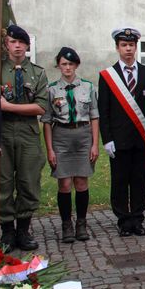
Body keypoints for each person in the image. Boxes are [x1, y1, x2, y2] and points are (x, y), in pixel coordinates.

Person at [98, 27, 145, 237]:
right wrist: (107, 139)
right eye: (124, 45)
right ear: (117, 47)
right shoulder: (107, 76)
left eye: (131, 45)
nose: (128, 49)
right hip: (119, 139)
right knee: (120, 181)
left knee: (140, 180)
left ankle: (137, 219)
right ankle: (123, 220)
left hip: (142, 138)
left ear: (136, 47)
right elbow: (103, 110)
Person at [41, 47, 99, 243]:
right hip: (61, 136)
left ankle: (81, 224)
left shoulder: (88, 87)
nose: (67, 68)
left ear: (76, 65)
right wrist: (50, 149)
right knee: (64, 183)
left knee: (81, 182)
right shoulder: (51, 89)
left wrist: (94, 145)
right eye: (63, 64)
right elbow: (47, 121)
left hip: (83, 136)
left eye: (71, 64)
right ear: (58, 65)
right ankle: (67, 225)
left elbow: (94, 116)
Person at [0, 25, 48, 252]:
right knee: (4, 182)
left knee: (28, 182)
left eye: (21, 42)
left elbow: (41, 107)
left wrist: (9, 106)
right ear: (6, 44)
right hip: (4, 133)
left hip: (28, 134)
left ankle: (23, 231)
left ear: (27, 45)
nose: (17, 46)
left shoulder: (38, 73)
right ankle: (7, 233)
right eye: (12, 41)